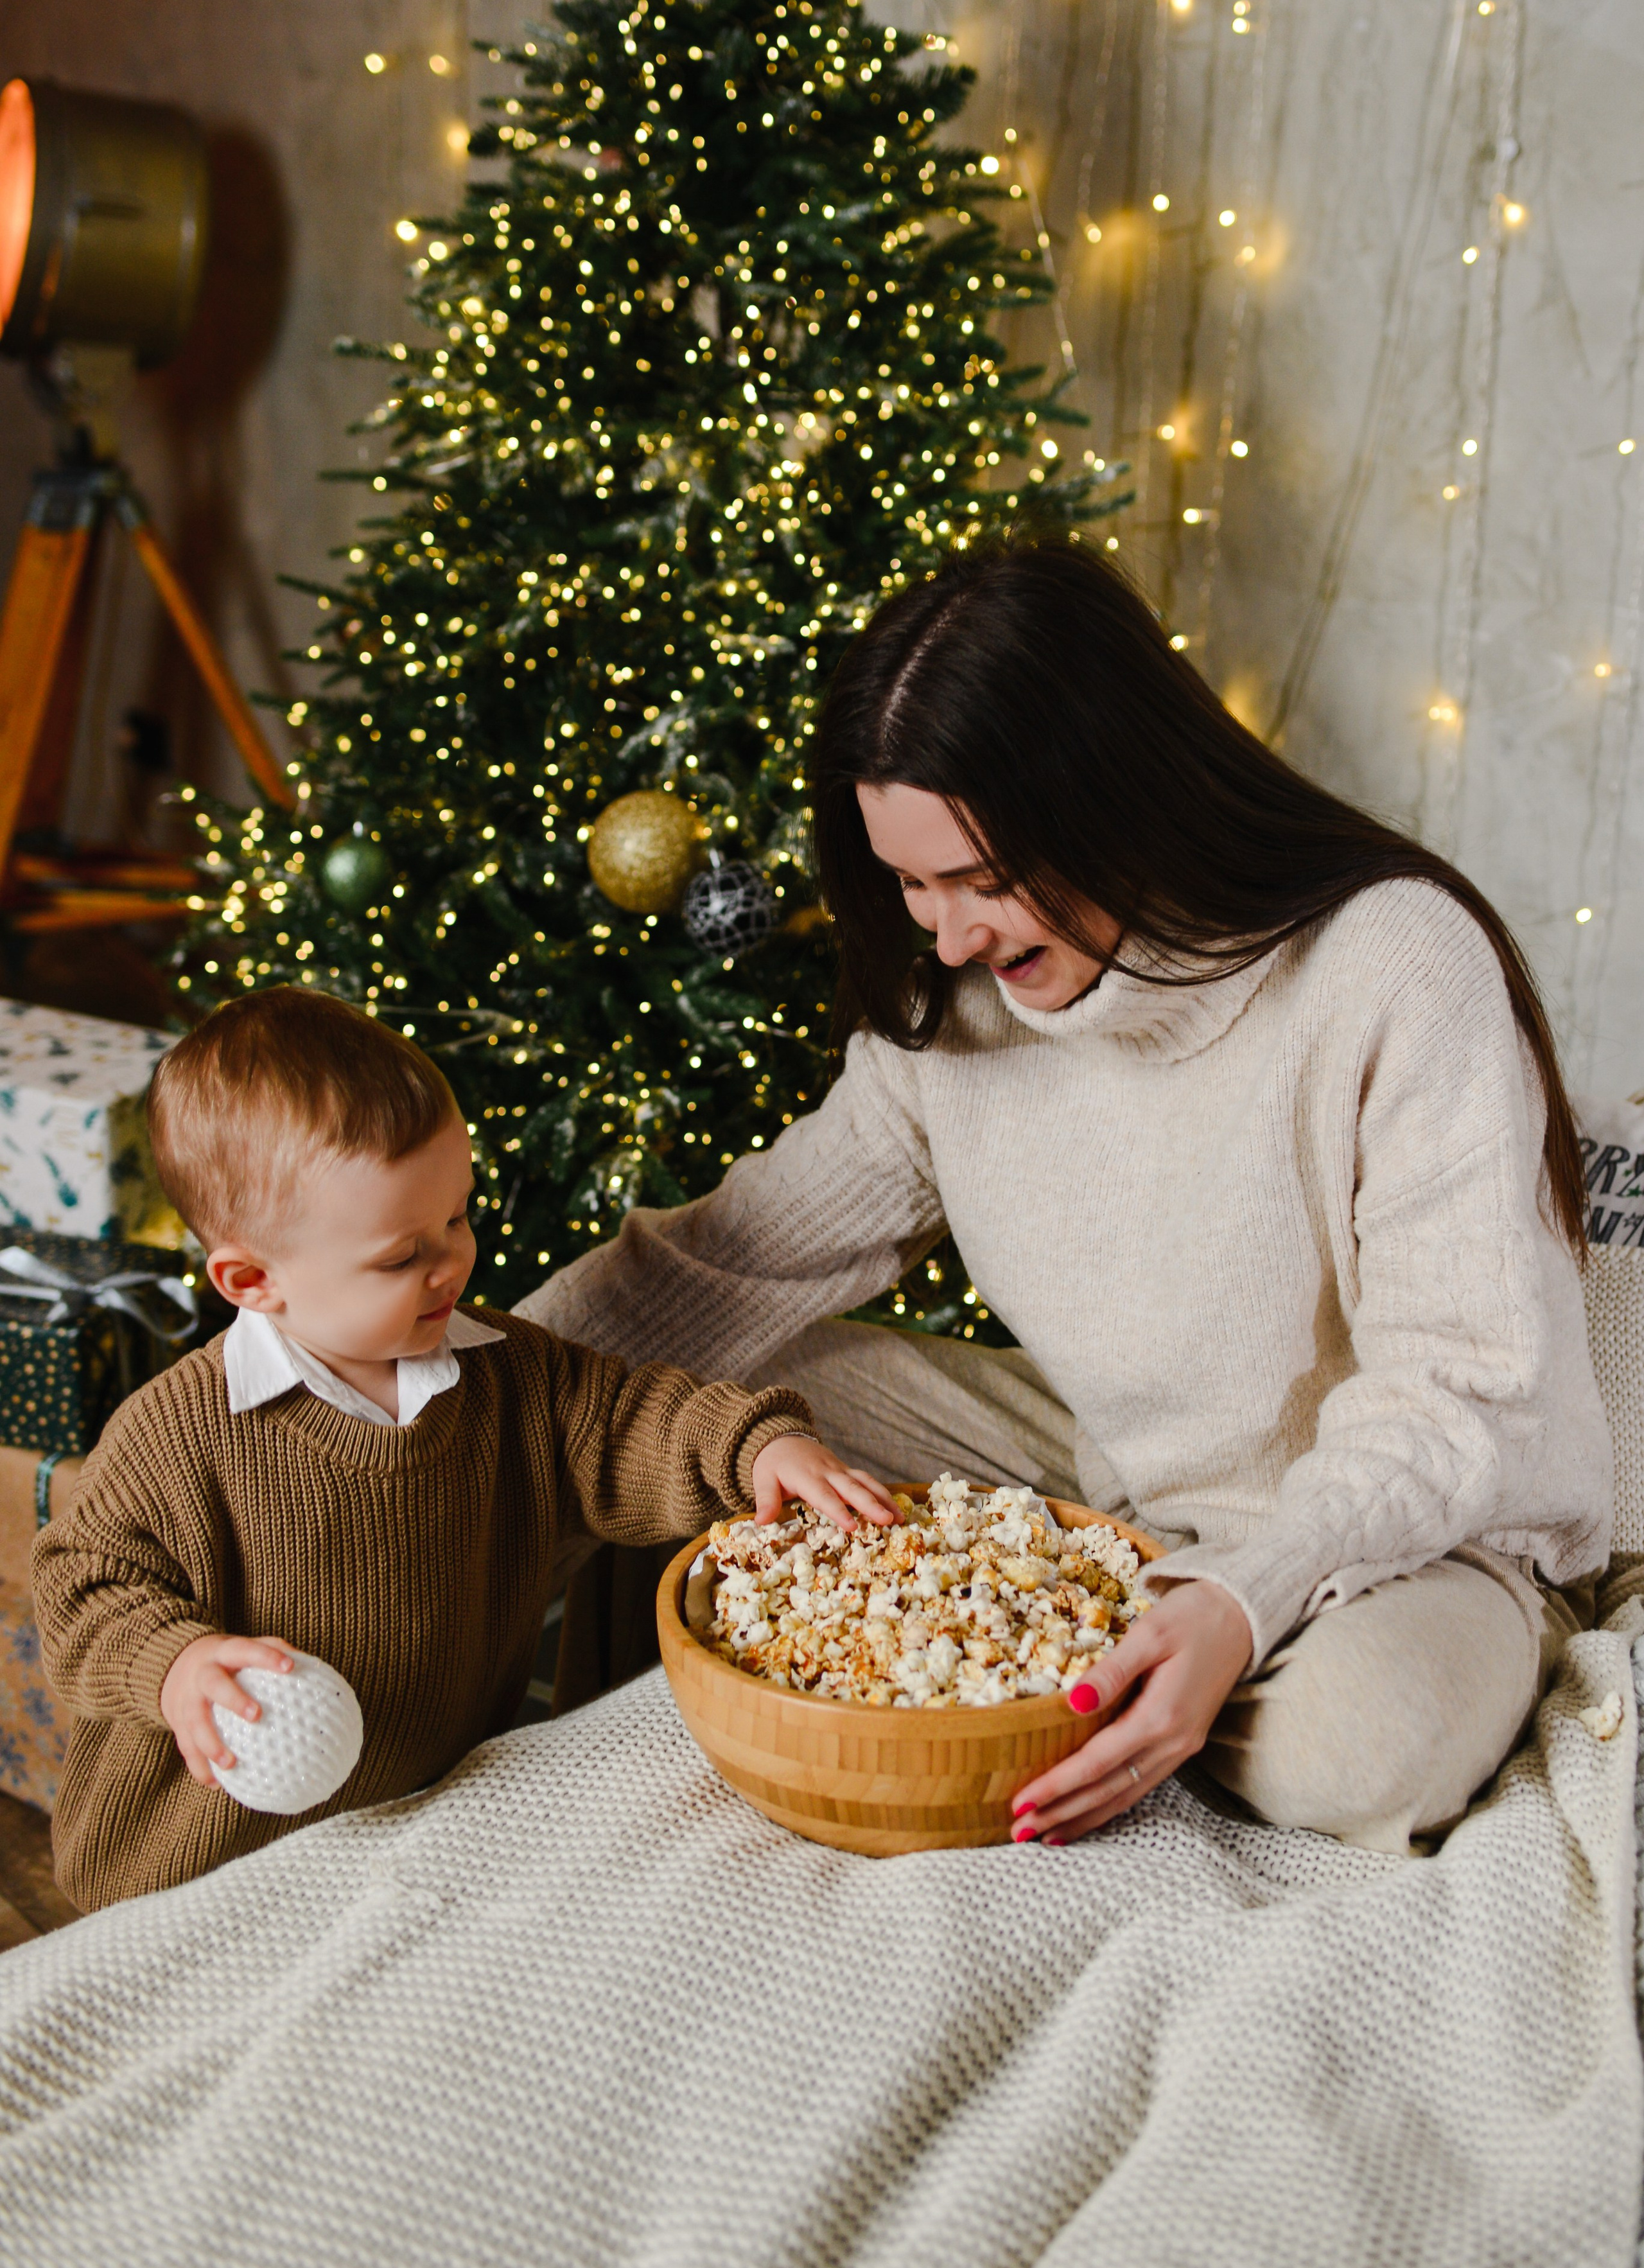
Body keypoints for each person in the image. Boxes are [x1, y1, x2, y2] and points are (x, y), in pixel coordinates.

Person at [518, 535, 1613, 1857]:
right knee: (700, 1415)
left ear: (1116, 798)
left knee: (1353, 1748)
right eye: (909, 883)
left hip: (1406, 1532)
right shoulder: (957, 1017)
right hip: (1111, 1495)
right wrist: (414, 1404)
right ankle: (1080, 1650)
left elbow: (1459, 1395)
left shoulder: (1390, 964)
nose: (947, 934)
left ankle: (1117, 1672)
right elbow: (723, 1267)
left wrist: (1236, 1599)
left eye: (982, 879)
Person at [33, 989, 893, 1911]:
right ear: (254, 1280)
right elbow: (81, 1586)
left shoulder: (507, 1374)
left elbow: (627, 1421)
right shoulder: (180, 1434)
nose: (452, 1264)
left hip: (411, 1828)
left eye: (459, 1218)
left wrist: (753, 1449)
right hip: (202, 1862)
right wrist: (172, 1667)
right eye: (402, 1257)